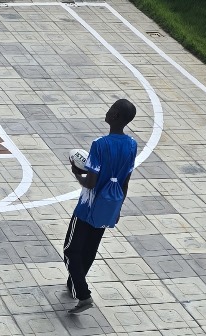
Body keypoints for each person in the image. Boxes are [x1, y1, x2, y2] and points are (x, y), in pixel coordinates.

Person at [64, 99, 138, 314]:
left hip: (89, 204)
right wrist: (118, 209)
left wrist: (78, 174)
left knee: (70, 250)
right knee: (90, 247)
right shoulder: (132, 144)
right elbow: (126, 181)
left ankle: (83, 294)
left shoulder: (100, 144)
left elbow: (91, 183)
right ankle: (74, 284)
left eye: (110, 109)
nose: (107, 111)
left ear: (114, 116)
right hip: (111, 203)